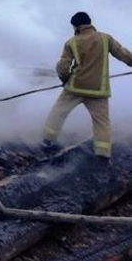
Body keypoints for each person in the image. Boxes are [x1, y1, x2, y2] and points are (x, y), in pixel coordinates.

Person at [43, 12, 132, 160]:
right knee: (102, 123)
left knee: (58, 112)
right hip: (98, 90)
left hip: (75, 88)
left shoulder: (71, 42)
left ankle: (47, 141)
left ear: (76, 26)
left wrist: (65, 80)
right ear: (89, 23)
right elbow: (124, 54)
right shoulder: (105, 38)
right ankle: (103, 154)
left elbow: (63, 66)